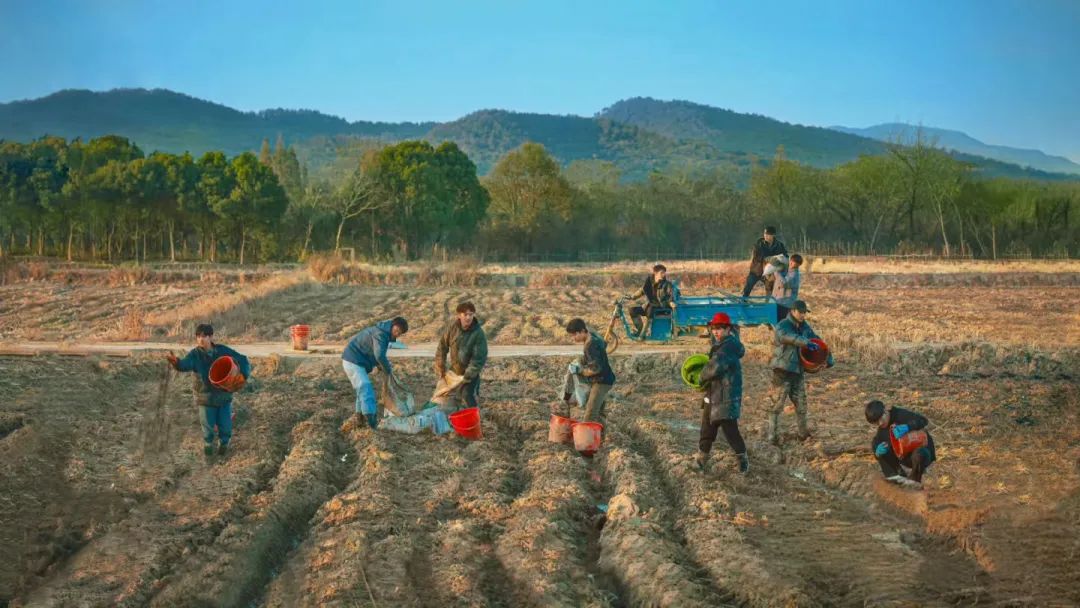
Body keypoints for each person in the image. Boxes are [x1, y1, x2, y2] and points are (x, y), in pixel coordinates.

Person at [166, 324, 250, 461]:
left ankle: (224, 447)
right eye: (198, 337)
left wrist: (244, 375)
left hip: (223, 396)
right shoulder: (195, 355)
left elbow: (243, 359)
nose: (200, 339)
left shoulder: (222, 351)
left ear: (211, 337)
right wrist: (176, 362)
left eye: (204, 336)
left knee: (226, 426)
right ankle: (209, 451)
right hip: (205, 398)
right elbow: (184, 364)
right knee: (208, 427)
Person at [766, 300, 833, 445]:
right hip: (782, 371)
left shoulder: (805, 327)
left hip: (797, 372)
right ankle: (772, 436)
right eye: (801, 312)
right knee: (776, 406)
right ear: (793, 310)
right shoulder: (783, 325)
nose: (803, 315)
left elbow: (817, 339)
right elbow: (787, 337)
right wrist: (805, 342)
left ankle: (803, 434)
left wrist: (828, 355)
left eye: (805, 312)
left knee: (801, 405)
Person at [695, 313, 749, 474]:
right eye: (714, 329)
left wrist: (701, 377)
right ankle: (701, 459)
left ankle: (743, 461)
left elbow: (715, 366)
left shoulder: (729, 347)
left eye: (719, 329)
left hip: (726, 394)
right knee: (707, 427)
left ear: (727, 329)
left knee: (730, 429)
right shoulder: (723, 344)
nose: (716, 332)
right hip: (714, 392)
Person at [341, 317, 409, 429]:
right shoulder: (381, 334)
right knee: (366, 388)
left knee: (361, 390)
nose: (397, 334)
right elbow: (379, 355)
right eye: (397, 330)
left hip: (355, 361)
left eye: (400, 333)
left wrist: (379, 365)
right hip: (353, 361)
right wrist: (387, 369)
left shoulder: (383, 333)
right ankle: (371, 421)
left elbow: (375, 352)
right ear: (392, 325)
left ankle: (360, 418)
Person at [865, 400, 936, 489]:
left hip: (923, 453)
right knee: (879, 448)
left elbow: (923, 420)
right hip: (905, 458)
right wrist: (877, 451)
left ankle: (915, 480)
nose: (881, 423)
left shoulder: (900, 414)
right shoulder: (881, 432)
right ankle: (896, 477)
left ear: (886, 410)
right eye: (876, 423)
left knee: (919, 454)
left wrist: (908, 427)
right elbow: (876, 443)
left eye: (881, 418)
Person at [434, 302, 488, 410]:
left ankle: (475, 419)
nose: (468, 317)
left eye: (471, 314)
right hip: (454, 371)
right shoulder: (452, 328)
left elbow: (478, 360)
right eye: (465, 314)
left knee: (467, 395)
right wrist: (440, 366)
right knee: (444, 395)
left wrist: (467, 376)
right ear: (459, 315)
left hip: (470, 374)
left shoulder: (478, 334)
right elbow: (442, 347)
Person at [562, 318, 616, 423]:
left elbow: (596, 369)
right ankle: (600, 437)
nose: (573, 338)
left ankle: (589, 438)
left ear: (582, 331)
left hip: (602, 382)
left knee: (590, 415)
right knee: (599, 413)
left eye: (574, 335)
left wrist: (579, 370)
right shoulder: (592, 336)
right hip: (604, 378)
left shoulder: (590, 346)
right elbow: (603, 345)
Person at [626, 264, 674, 338]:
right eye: (661, 272)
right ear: (655, 273)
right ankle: (639, 330)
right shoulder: (649, 283)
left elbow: (670, 295)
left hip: (660, 306)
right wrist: (632, 297)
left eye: (664, 273)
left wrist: (671, 302)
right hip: (648, 305)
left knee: (650, 310)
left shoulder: (667, 284)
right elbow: (642, 291)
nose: (663, 274)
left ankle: (643, 334)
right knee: (632, 310)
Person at [742, 226, 788, 297]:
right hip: (757, 270)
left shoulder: (780, 245)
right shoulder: (758, 244)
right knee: (748, 286)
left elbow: (785, 256)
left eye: (768, 234)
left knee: (770, 290)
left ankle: (768, 304)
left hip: (770, 273)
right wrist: (769, 259)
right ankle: (743, 301)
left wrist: (780, 262)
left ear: (773, 235)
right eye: (765, 234)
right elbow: (757, 257)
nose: (766, 236)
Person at [772, 254, 803, 322]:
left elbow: (784, 283)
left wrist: (776, 272)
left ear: (798, 264)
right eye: (791, 261)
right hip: (779, 300)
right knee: (775, 322)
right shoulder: (788, 270)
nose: (791, 263)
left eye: (794, 262)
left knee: (780, 322)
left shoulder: (794, 275)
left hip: (785, 303)